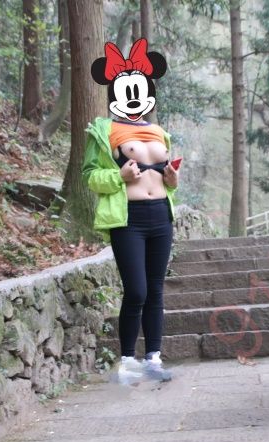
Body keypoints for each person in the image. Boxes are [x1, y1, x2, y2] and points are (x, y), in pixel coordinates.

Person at [82, 39, 179, 383]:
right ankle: (126, 361)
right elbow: (90, 177)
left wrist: (172, 180)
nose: (134, 97)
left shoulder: (159, 132)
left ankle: (153, 358)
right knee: (136, 290)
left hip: (161, 216)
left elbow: (166, 180)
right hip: (128, 220)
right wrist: (119, 177)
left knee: (155, 290)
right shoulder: (104, 131)